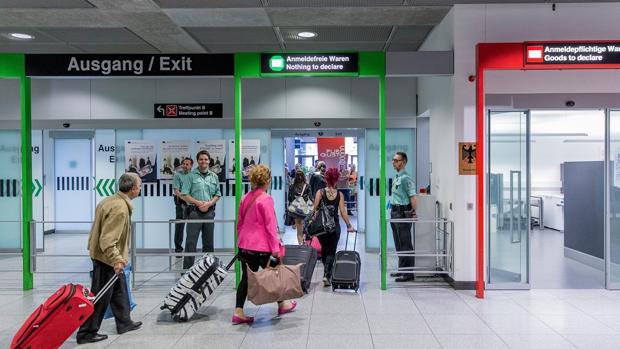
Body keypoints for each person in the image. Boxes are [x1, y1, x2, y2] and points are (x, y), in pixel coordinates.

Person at [76, 173, 142, 344]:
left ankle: (124, 322)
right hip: (106, 259)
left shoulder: (110, 200)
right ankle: (86, 332)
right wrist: (117, 260)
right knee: (100, 296)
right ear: (133, 188)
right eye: (139, 186)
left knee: (119, 290)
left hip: (101, 255)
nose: (140, 189)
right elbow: (108, 240)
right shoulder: (120, 209)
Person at [233, 164, 297, 324]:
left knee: (246, 279)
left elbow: (239, 224)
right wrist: (275, 249)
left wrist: (241, 243)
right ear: (267, 180)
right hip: (264, 248)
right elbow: (270, 226)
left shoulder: (245, 198)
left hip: (246, 247)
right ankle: (283, 304)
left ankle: (238, 312)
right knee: (275, 274)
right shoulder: (266, 199)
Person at [312, 168, 355, 287]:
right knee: (331, 250)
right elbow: (343, 212)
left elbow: (314, 209)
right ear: (336, 180)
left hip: (322, 227)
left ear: (326, 179)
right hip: (334, 227)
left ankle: (326, 273)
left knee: (325, 249)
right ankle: (327, 275)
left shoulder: (320, 193)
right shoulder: (339, 194)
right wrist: (349, 225)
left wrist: (310, 223)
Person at [180, 150, 222, 270]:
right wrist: (198, 203)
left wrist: (209, 204)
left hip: (209, 213)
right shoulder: (190, 176)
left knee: (208, 243)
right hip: (194, 213)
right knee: (190, 243)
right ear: (198, 161)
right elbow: (184, 194)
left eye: (206, 159)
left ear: (209, 161)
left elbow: (217, 194)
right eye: (201, 159)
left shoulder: (214, 176)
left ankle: (208, 271)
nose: (203, 161)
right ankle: (186, 272)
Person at [390, 151, 417, 282]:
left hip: (403, 212)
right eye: (393, 160)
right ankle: (402, 270)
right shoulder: (397, 177)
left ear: (404, 162)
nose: (393, 162)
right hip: (394, 212)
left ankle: (408, 273)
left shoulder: (406, 178)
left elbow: (413, 196)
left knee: (406, 243)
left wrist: (413, 211)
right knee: (398, 243)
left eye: (396, 160)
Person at [172, 157, 193, 254]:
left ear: (191, 166)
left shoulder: (194, 176)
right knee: (180, 226)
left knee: (192, 227)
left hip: (192, 204)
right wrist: (185, 198)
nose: (185, 166)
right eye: (183, 164)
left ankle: (190, 249)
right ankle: (178, 249)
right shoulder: (177, 175)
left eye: (187, 164)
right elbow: (176, 190)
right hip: (180, 203)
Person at [288, 170, 312, 245]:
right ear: (303, 176)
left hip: (296, 210)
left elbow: (289, 198)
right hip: (305, 209)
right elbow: (311, 198)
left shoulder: (292, 186)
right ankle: (304, 242)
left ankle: (300, 244)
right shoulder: (307, 186)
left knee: (299, 230)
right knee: (306, 227)